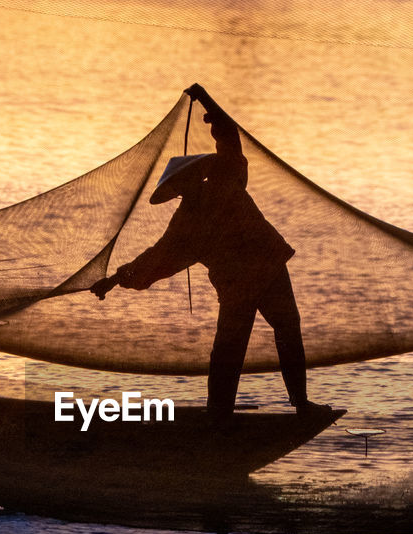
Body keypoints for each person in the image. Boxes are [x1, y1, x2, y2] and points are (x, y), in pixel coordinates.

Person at [91, 83, 330, 424]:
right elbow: (153, 260)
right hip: (248, 278)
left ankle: (294, 402)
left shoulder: (222, 181)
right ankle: (224, 412)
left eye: (192, 175)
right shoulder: (191, 219)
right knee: (236, 345)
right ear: (180, 188)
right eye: (186, 179)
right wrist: (114, 279)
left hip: (264, 269)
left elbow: (229, 139)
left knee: (282, 330)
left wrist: (207, 101)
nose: (192, 181)